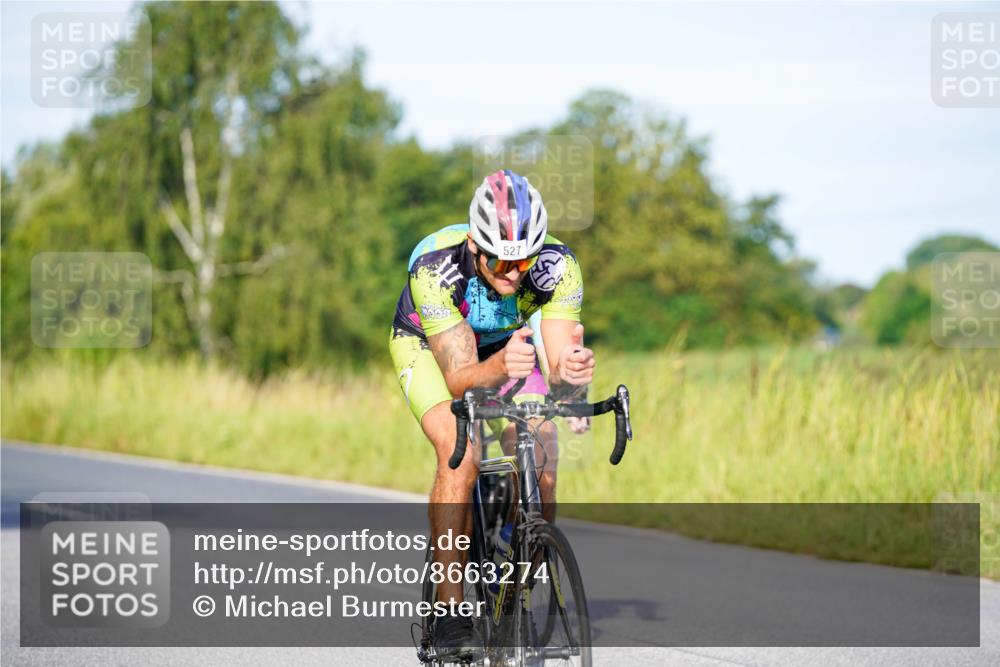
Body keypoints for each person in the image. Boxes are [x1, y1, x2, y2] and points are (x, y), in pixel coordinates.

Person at [389, 169, 595, 658]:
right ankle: (450, 610)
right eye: (500, 261)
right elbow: (460, 379)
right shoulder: (436, 268)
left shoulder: (557, 267)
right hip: (432, 348)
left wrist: (571, 372)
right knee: (459, 455)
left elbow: (561, 371)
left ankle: (512, 568)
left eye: (522, 260)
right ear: (476, 246)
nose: (512, 272)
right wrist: (499, 366)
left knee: (543, 456)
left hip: (508, 348)